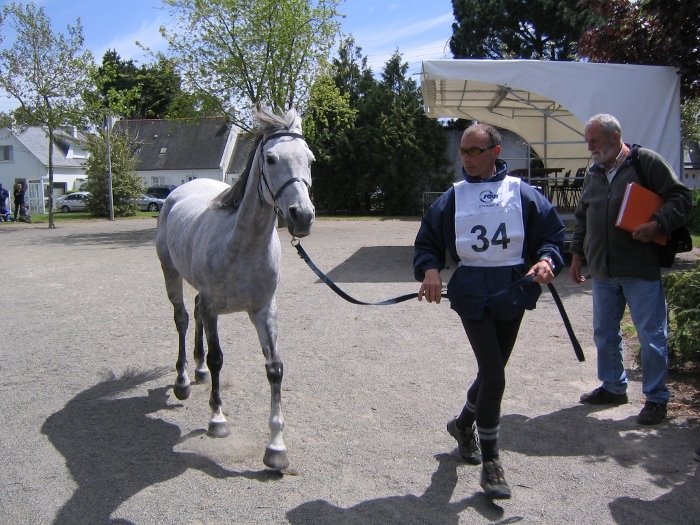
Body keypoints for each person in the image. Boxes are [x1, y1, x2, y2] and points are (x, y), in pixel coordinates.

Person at [414, 123, 565, 499]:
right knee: (495, 375)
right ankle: (492, 463)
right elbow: (427, 238)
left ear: (496, 152)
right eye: (463, 151)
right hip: (471, 293)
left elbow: (551, 235)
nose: (466, 158)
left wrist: (547, 260)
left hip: (512, 291)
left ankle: (462, 424)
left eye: (474, 151)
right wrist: (430, 269)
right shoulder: (453, 196)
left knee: (490, 372)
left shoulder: (521, 192)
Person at [569, 114, 692, 425]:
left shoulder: (645, 162)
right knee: (605, 333)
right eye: (587, 142)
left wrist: (658, 224)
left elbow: (681, 198)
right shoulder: (594, 172)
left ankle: (656, 398)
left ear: (615, 136)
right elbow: (583, 217)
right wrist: (576, 255)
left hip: (640, 269)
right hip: (603, 271)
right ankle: (613, 387)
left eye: (594, 141)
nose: (590, 148)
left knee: (651, 336)